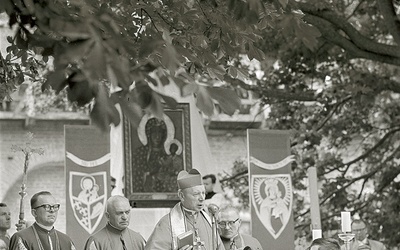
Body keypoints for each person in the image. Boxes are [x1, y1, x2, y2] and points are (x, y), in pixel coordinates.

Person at [145, 169, 225, 250]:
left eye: (203, 193)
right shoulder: (167, 224)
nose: (202, 198)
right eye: (196, 194)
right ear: (181, 196)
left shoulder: (209, 220)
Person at [9, 191, 76, 250]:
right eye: (47, 206)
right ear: (34, 213)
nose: (52, 210)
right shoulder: (21, 238)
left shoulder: (67, 241)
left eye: (55, 207)